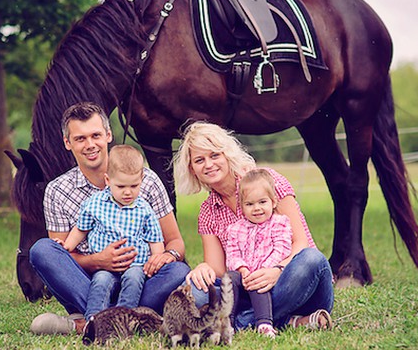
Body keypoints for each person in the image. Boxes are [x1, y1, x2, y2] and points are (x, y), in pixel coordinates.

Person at [29, 102, 189, 335]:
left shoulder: (147, 181)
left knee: (178, 272)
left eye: (95, 135)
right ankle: (130, 319)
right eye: (80, 138)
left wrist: (166, 256)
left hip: (139, 279)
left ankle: (87, 323)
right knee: (42, 250)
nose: (90, 144)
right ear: (67, 143)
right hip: (87, 283)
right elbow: (63, 252)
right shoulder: (57, 191)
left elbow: (176, 243)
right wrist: (98, 261)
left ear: (108, 135)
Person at [172, 121, 333, 331]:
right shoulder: (208, 211)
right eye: (200, 160)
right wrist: (204, 267)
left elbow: (301, 242)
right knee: (197, 290)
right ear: (192, 169)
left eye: (214, 155)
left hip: (293, 282)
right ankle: (287, 321)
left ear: (227, 154)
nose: (208, 164)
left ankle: (238, 324)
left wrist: (277, 270)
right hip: (248, 288)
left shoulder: (266, 181)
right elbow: (219, 270)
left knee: (312, 259)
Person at [61, 145, 165, 322]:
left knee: (133, 280)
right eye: (121, 186)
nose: (127, 192)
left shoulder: (144, 209)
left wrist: (156, 259)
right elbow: (80, 229)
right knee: (100, 282)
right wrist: (67, 246)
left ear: (142, 180)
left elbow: (154, 239)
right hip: (104, 266)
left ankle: (123, 319)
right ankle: (93, 320)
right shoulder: (95, 204)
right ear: (108, 180)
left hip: (136, 265)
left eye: (134, 185)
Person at [225, 169, 292, 338]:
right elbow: (232, 253)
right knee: (229, 278)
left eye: (262, 202)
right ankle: (227, 322)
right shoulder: (235, 229)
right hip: (245, 276)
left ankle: (264, 324)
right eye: (250, 204)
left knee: (259, 282)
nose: (257, 209)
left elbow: (282, 248)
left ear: (273, 202)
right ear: (241, 207)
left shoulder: (279, 223)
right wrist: (242, 269)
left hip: (268, 278)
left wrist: (264, 268)